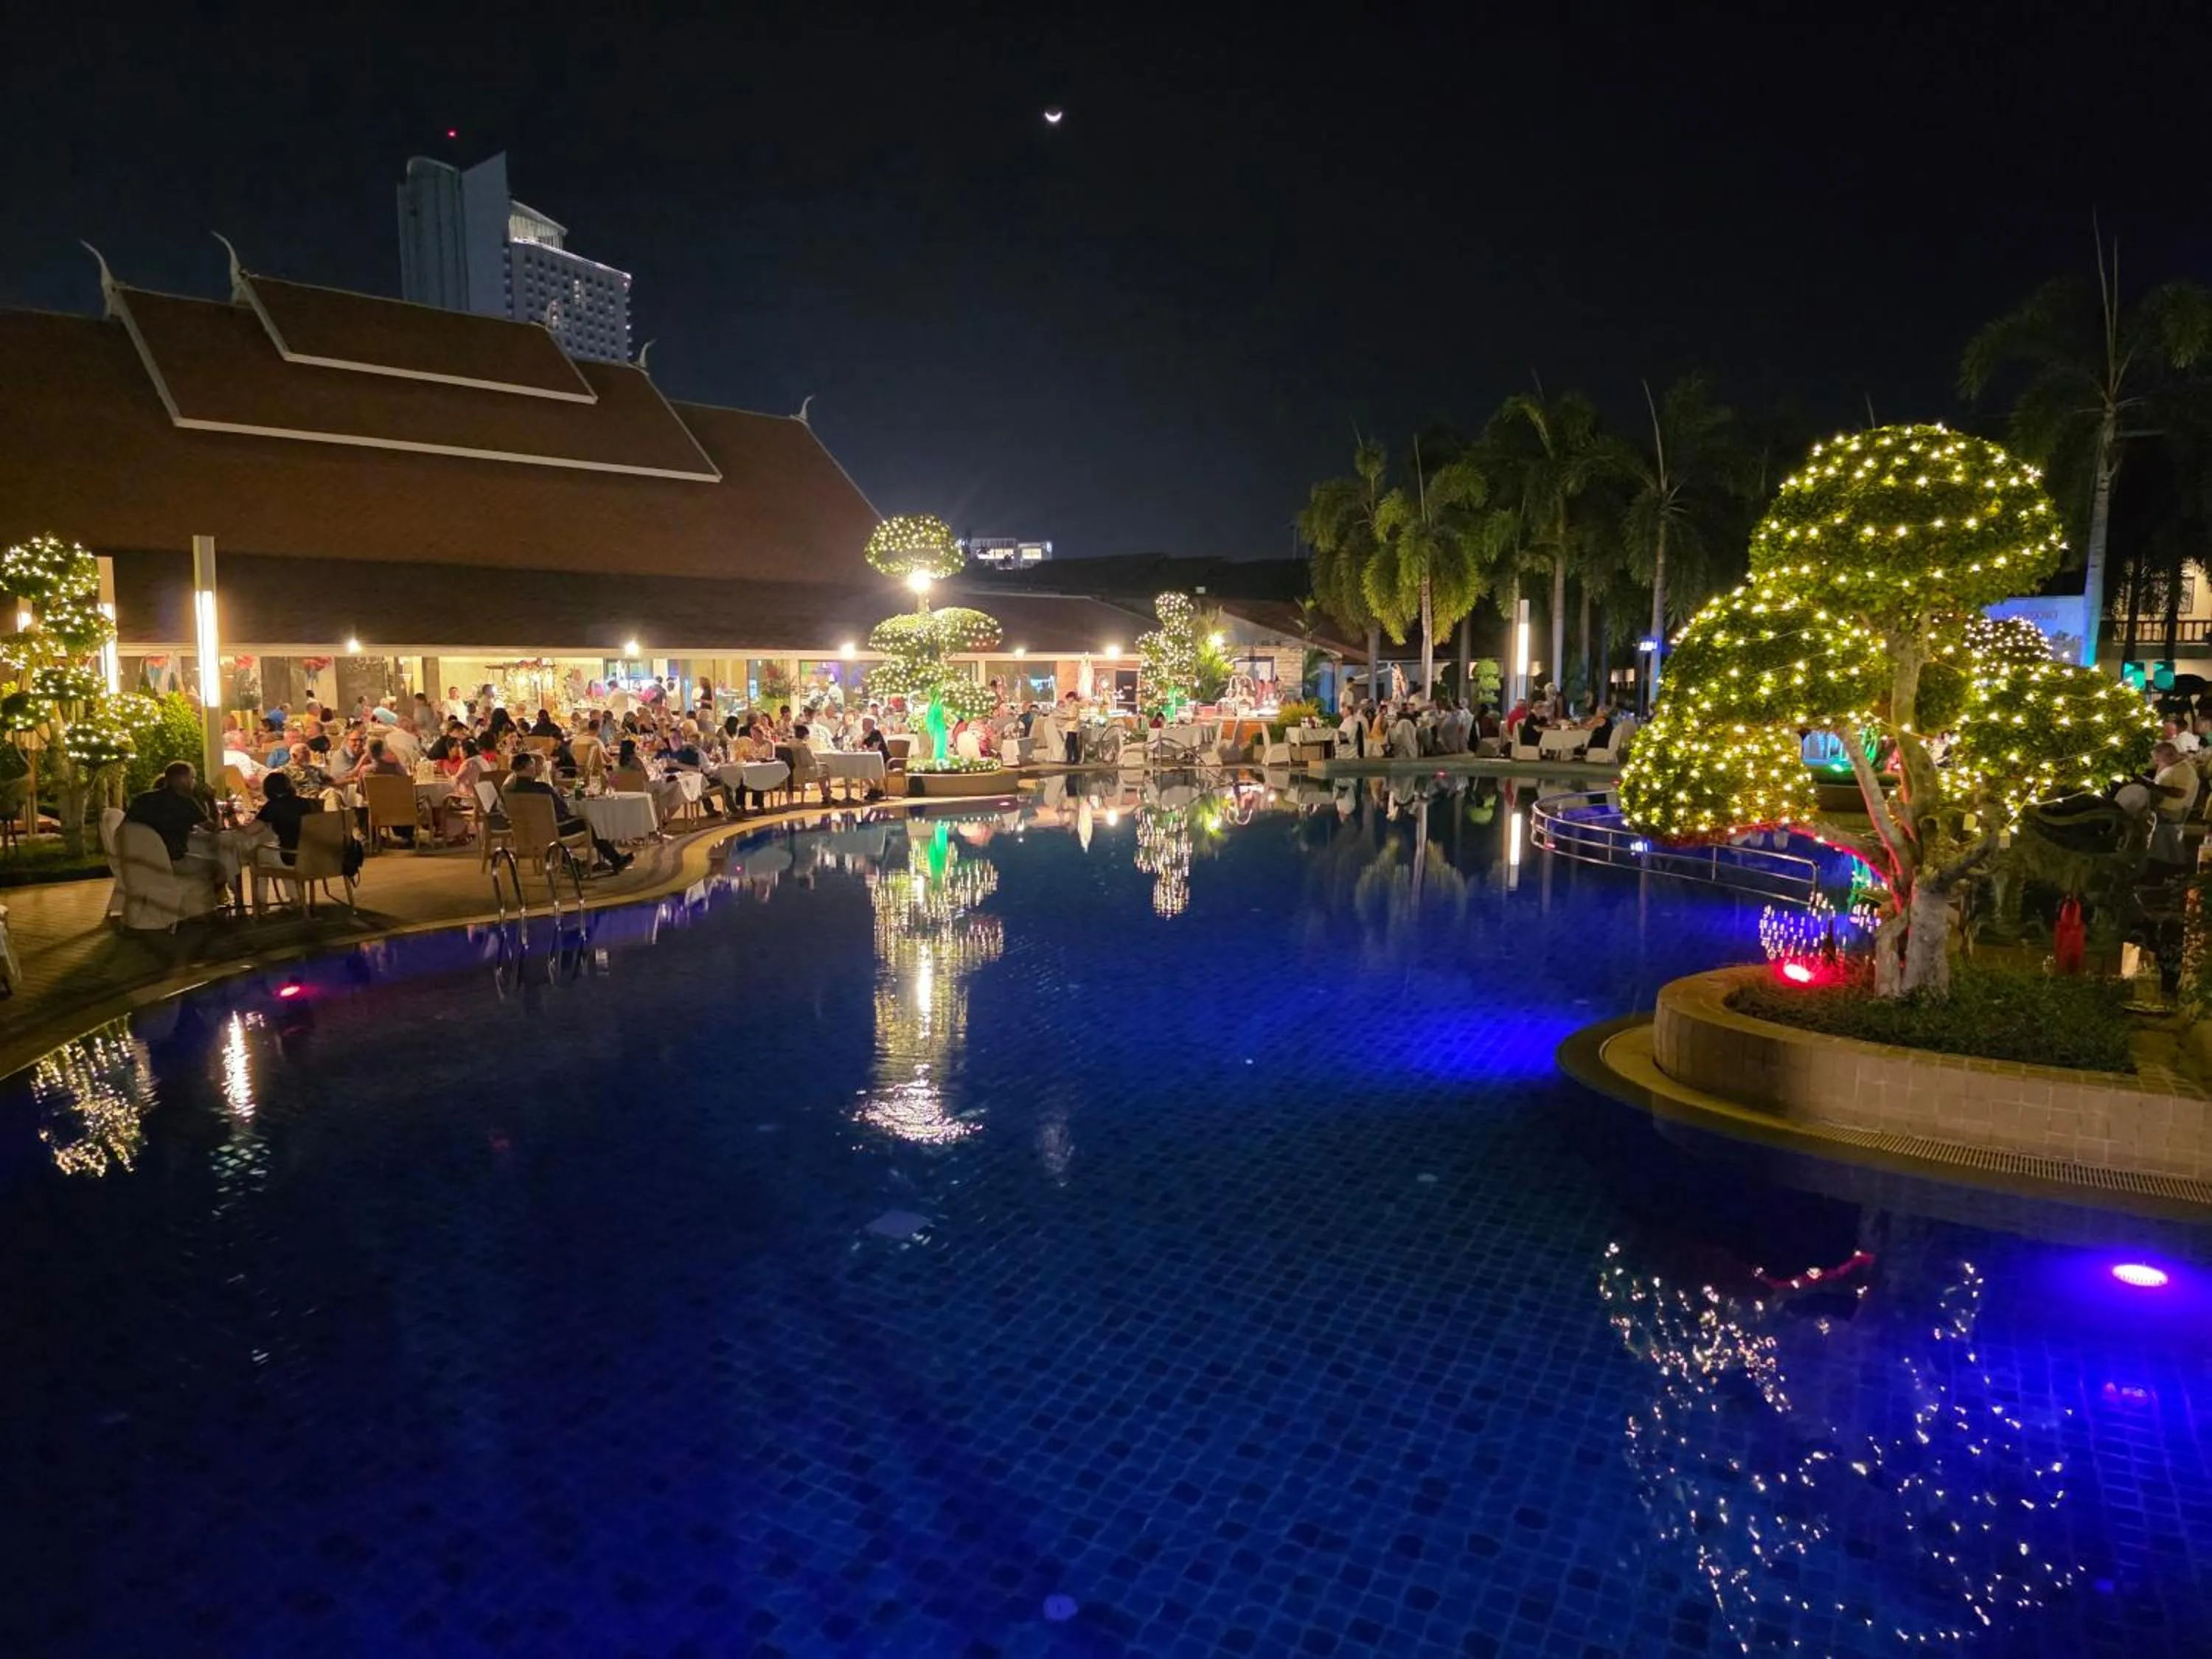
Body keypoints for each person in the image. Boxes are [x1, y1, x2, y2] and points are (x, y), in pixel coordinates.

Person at [503, 752, 632, 872]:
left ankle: (570, 861)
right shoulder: (542, 788)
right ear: (528, 767)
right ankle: (615, 860)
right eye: (533, 764)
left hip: (528, 833)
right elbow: (563, 809)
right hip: (555, 831)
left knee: (578, 820)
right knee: (587, 822)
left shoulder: (509, 792)